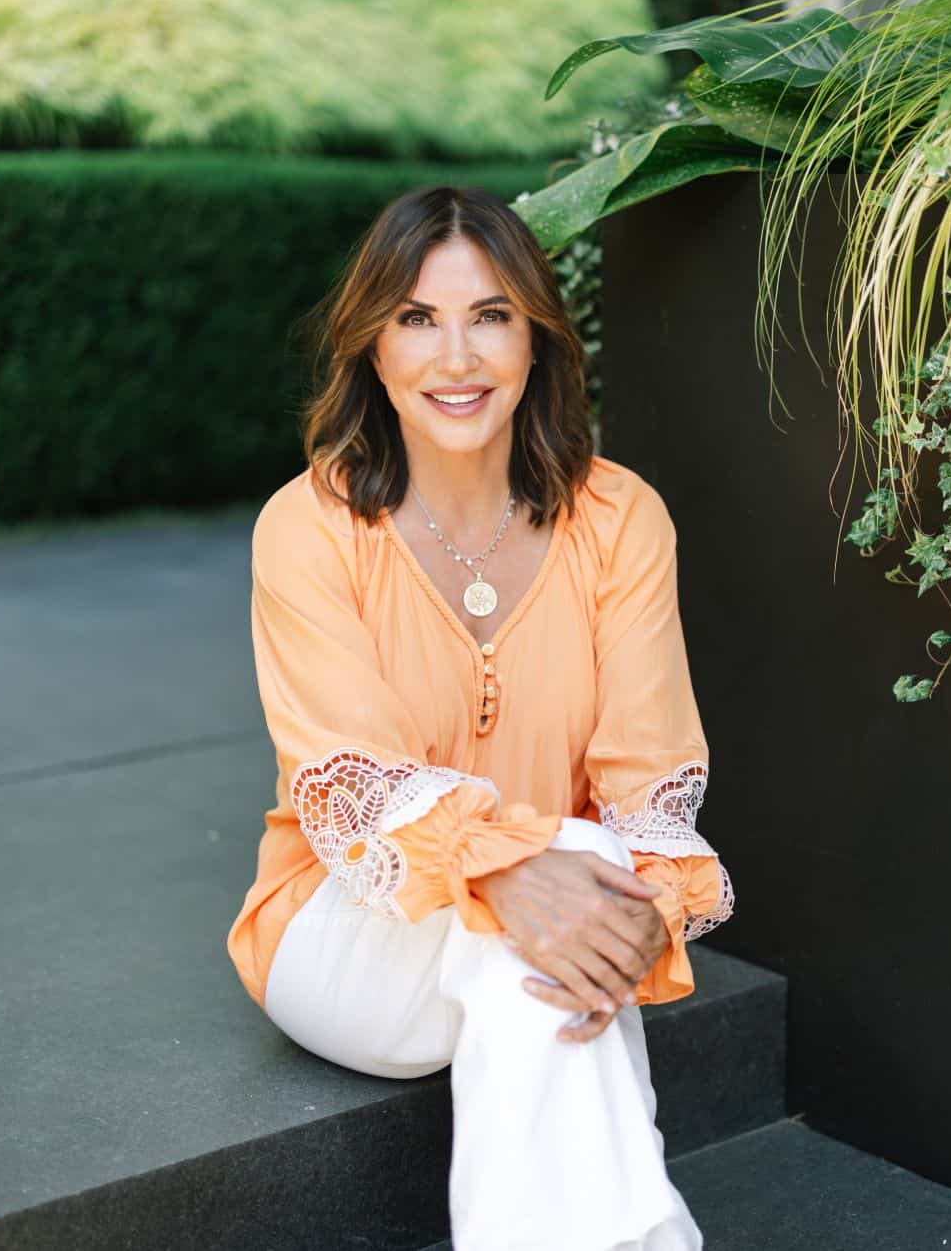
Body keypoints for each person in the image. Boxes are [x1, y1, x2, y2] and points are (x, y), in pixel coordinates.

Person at [226, 185, 735, 1251]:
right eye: (417, 318)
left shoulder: (620, 518)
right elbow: (356, 789)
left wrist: (644, 900)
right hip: (347, 939)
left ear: (536, 339)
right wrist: (514, 870)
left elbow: (649, 782)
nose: (454, 356)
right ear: (371, 347)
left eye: (489, 315)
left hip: (547, 924)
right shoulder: (308, 530)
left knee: (538, 948)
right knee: (550, 893)